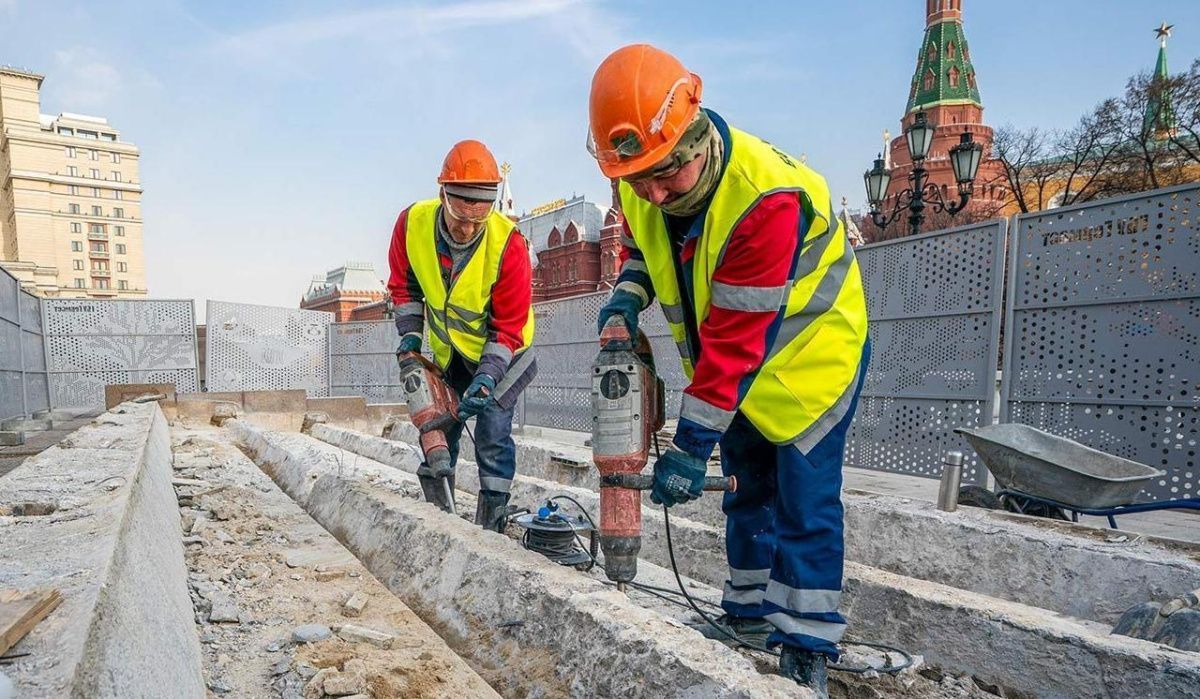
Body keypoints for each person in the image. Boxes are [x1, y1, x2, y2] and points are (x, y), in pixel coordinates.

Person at [586, 44, 869, 695]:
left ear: (694, 137)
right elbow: (638, 244)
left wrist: (689, 448)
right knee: (745, 490)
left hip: (810, 362)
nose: (654, 194)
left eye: (667, 176)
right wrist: (628, 296)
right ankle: (744, 614)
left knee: (805, 503)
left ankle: (806, 645)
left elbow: (736, 344)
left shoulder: (765, 201)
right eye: (637, 182)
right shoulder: (642, 183)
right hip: (736, 376)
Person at [387, 139, 536, 531]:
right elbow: (405, 290)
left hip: (505, 355)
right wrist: (410, 339)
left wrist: (487, 378)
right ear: (443, 196)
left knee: (491, 432)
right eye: (459, 217)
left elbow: (507, 328)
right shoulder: (411, 225)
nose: (468, 228)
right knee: (439, 426)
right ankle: (441, 516)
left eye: (478, 219)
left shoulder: (510, 246)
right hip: (451, 354)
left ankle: (492, 522)